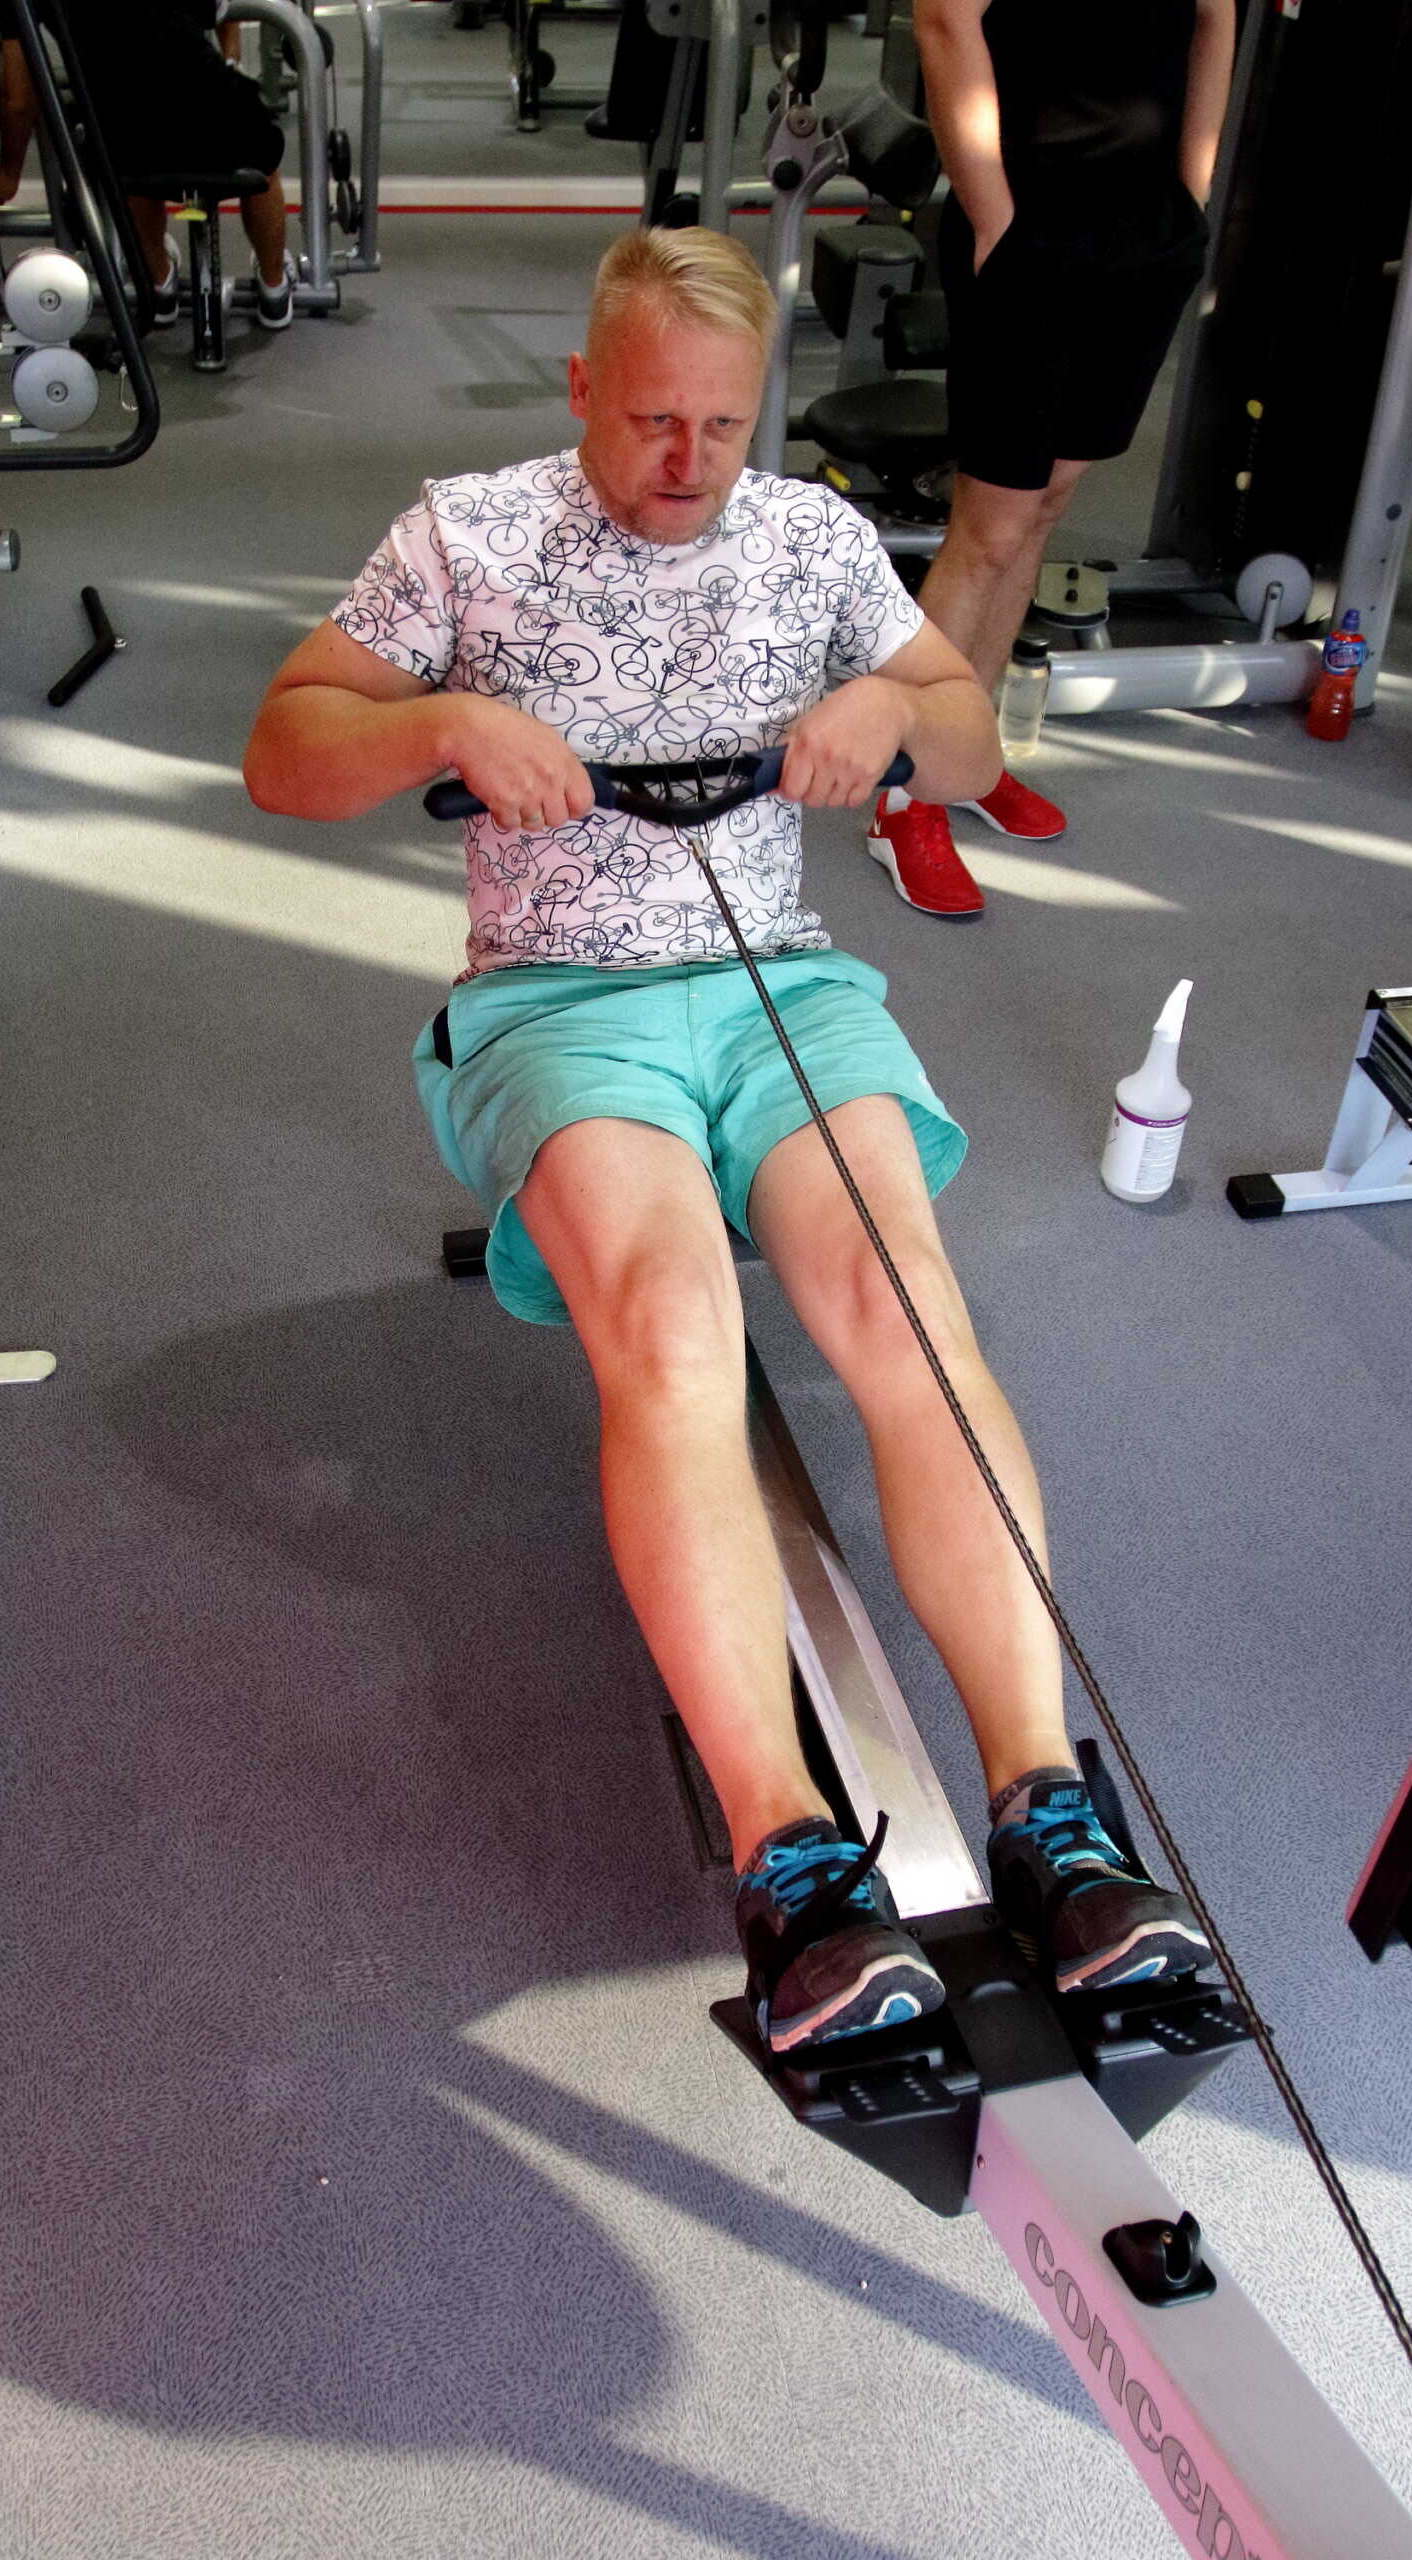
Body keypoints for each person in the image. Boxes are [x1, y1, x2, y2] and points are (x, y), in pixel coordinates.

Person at [244, 226, 1211, 2054]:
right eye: (650, 421)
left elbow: (967, 730)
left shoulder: (813, 539)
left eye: (721, 423)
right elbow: (283, 751)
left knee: (904, 1312)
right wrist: (439, 723)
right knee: (676, 1333)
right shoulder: (466, 532)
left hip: (780, 984)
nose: (688, 461)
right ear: (581, 389)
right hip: (561, 1002)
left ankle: (1050, 1815)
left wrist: (893, 712)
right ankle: (790, 1862)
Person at [863, 0, 1236, 918]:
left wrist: (1190, 194)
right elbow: (945, 22)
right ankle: (903, 798)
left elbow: (1213, 17)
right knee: (988, 526)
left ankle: (967, 749)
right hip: (1031, 227)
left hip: (1147, 232)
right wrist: (995, 216)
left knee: (1044, 505)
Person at [0, 0, 297, 333]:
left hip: (122, 119)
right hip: (206, 98)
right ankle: (274, 288)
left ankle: (158, 283)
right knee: (262, 161)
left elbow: (18, 100)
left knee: (128, 161)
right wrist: (231, 60)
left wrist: (9, 172)